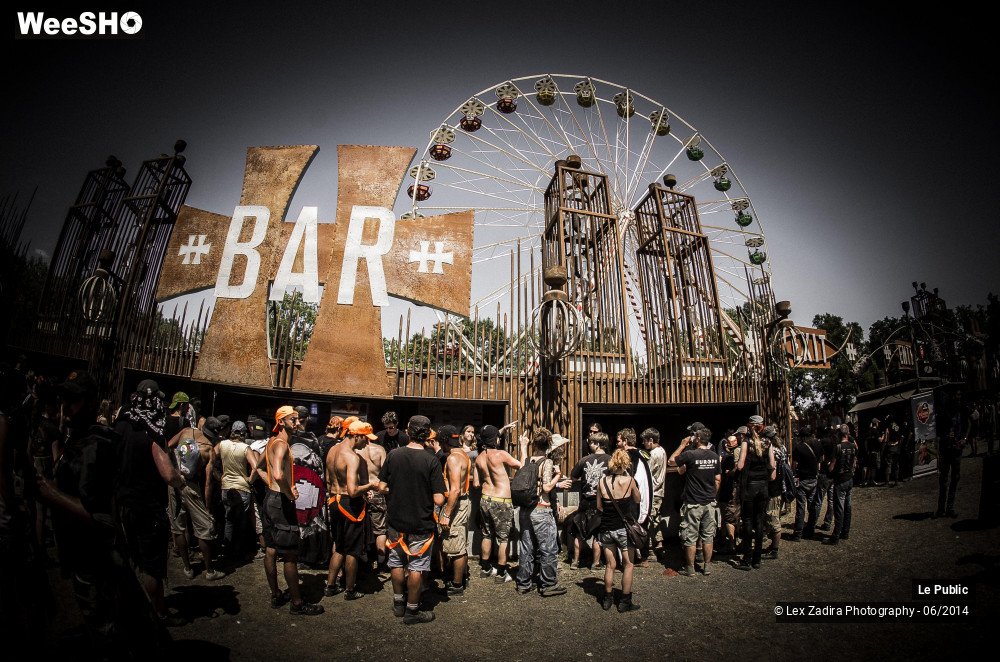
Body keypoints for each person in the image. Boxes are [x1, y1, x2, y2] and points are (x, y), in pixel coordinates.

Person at [114, 378, 187, 626]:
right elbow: (167, 474)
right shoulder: (151, 430)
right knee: (151, 565)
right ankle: (158, 613)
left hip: (123, 502)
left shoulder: (121, 425)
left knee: (132, 557)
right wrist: (180, 481)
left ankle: (132, 606)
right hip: (147, 505)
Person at [377, 415, 445, 625]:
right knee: (416, 566)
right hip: (421, 522)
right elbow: (439, 498)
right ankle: (412, 611)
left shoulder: (394, 455)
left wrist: (395, 490)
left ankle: (399, 603)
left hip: (396, 520)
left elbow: (381, 487)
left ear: (407, 430)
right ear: (427, 434)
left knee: (396, 562)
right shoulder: (431, 460)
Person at [259, 406, 323, 615]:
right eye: (293, 420)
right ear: (282, 421)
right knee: (290, 555)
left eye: (297, 419)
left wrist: (269, 484)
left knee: (270, 548)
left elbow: (258, 466)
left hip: (270, 498)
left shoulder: (272, 441)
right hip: (279, 501)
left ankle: (276, 593)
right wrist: (287, 491)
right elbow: (277, 474)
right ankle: (297, 603)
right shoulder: (281, 445)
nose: (297, 423)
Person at [325, 420, 379, 600]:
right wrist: (370, 485)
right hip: (349, 503)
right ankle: (350, 589)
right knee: (353, 550)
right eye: (366, 439)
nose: (367, 443)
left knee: (339, 546)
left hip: (333, 500)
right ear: (356, 436)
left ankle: (331, 585)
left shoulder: (333, 450)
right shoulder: (352, 457)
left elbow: (327, 480)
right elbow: (353, 490)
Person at [166, 415, 225, 580]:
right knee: (203, 528)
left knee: (178, 526)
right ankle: (209, 571)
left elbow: (169, 445)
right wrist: (207, 507)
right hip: (192, 487)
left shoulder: (186, 431)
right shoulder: (209, 449)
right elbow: (207, 483)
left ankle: (187, 567)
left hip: (174, 482)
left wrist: (172, 468)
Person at [514, 428, 570, 597]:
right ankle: (548, 584)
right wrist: (557, 476)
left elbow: (523, 460)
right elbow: (546, 487)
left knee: (526, 548)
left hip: (525, 510)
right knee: (548, 549)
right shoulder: (547, 462)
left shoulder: (528, 461)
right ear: (548, 445)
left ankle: (523, 583)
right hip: (541, 509)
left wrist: (523, 445)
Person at [668, 427, 721, 576]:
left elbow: (672, 461)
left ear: (697, 438)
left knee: (690, 536)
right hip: (709, 502)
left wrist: (682, 444)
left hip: (692, 502)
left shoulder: (690, 455)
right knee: (708, 536)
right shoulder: (714, 456)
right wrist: (712, 495)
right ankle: (707, 566)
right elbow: (718, 479)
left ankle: (690, 567)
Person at [595, 449, 641, 612]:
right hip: (623, 529)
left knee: (610, 564)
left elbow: (599, 506)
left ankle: (607, 599)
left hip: (606, 528)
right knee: (628, 564)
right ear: (626, 463)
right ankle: (624, 602)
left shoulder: (602, 481)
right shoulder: (630, 481)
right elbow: (637, 499)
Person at [474, 423, 520, 582]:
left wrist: (503, 429)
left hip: (485, 498)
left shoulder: (479, 457)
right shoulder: (501, 454)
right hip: (502, 500)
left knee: (486, 534)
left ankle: (486, 568)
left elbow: (475, 483)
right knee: (503, 538)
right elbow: (520, 465)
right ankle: (501, 573)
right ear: (496, 439)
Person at [212, 420, 258, 561]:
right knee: (242, 521)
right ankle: (239, 551)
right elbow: (255, 467)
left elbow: (211, 458)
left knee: (229, 519)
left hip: (226, 486)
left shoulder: (222, 444)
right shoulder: (245, 448)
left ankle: (227, 548)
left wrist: (218, 475)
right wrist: (250, 480)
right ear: (244, 433)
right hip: (242, 487)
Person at [734, 415, 774, 570]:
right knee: (759, 522)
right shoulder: (768, 442)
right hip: (763, 486)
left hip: (750, 485)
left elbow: (740, 465)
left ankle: (746, 558)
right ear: (762, 426)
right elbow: (772, 465)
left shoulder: (746, 441)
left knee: (748, 522)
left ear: (750, 426)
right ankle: (757, 559)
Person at [568, 431, 610, 569]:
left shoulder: (584, 460)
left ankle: (575, 561)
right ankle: (596, 563)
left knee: (579, 531)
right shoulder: (611, 460)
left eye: (591, 442)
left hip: (585, 500)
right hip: (602, 501)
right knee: (598, 533)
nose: (589, 445)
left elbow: (573, 477)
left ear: (597, 444)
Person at [439, 425, 473, 595]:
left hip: (457, 503)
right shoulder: (463, 454)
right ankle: (461, 577)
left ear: (445, 441)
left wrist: (446, 513)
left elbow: (455, 490)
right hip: (463, 501)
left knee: (456, 543)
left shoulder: (453, 459)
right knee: (461, 540)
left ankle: (457, 584)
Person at [357, 423, 389, 574]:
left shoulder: (355, 450)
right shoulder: (379, 449)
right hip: (376, 490)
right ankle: (381, 562)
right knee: (380, 529)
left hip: (361, 490)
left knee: (361, 527)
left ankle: (363, 560)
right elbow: (386, 473)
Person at [790, 425, 823, 541]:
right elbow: (821, 459)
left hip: (802, 479)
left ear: (802, 437)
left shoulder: (798, 448)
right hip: (814, 478)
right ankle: (810, 530)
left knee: (800, 508)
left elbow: (794, 465)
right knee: (812, 506)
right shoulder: (818, 444)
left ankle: (798, 534)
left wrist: (793, 476)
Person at [826, 426, 857, 545]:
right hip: (849, 478)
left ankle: (836, 536)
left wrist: (829, 467)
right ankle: (845, 532)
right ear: (848, 433)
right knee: (848, 507)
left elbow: (832, 465)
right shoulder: (853, 446)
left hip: (840, 480)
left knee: (839, 509)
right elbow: (854, 460)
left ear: (839, 434)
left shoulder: (838, 447)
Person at [641, 428, 666, 557]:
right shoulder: (662, 451)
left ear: (651, 440)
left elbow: (647, 472)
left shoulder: (653, 454)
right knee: (656, 518)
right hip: (659, 490)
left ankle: (650, 546)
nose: (643, 443)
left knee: (649, 519)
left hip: (653, 491)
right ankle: (659, 543)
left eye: (645, 441)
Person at [717, 431, 743, 554]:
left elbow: (723, 475)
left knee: (729, 517)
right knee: (734, 516)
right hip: (736, 490)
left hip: (730, 490)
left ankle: (731, 543)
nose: (727, 444)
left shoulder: (729, 458)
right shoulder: (739, 455)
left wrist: (729, 473)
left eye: (730, 441)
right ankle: (730, 539)